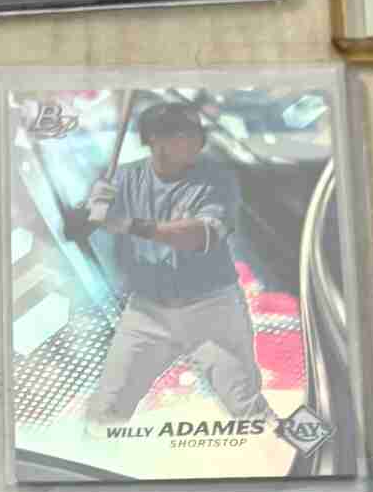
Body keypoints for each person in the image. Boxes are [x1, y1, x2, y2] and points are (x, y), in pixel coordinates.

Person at [80, 97, 276, 437]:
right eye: (182, 134)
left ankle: (315, 450)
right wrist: (91, 207)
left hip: (211, 309)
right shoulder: (125, 178)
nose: (195, 141)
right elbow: (75, 231)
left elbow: (200, 237)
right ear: (154, 140)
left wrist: (129, 224)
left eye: (195, 133)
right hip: (146, 312)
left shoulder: (216, 179)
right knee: (104, 413)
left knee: (247, 408)